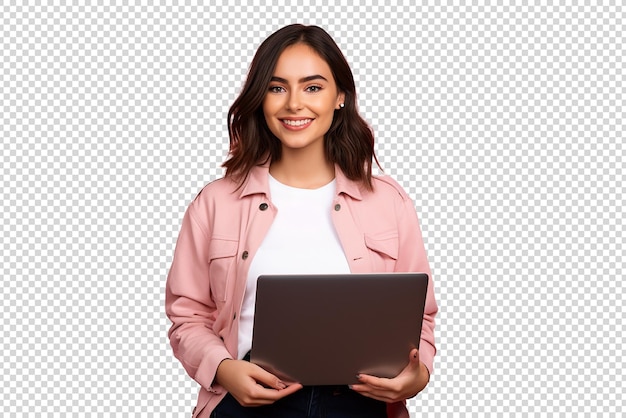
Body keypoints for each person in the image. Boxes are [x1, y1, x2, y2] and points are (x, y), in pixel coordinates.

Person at [166, 24, 438, 418]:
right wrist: (224, 370)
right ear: (260, 99)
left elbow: (420, 315)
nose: (295, 103)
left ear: (339, 96)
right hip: (247, 405)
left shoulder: (388, 202)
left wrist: (418, 375)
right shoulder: (215, 202)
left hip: (359, 407)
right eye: (277, 88)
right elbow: (187, 315)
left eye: (313, 87)